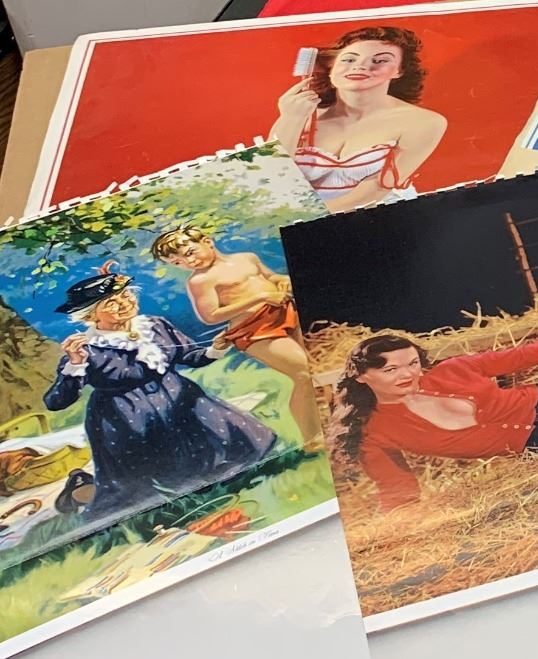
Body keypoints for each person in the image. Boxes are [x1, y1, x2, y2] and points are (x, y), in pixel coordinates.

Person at [45, 265, 277, 519]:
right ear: (91, 315)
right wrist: (75, 364)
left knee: (221, 443)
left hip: (180, 400)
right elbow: (56, 402)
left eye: (126, 295)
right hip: (126, 419)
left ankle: (224, 489)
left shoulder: (155, 325)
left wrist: (216, 348)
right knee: (141, 489)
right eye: (111, 303)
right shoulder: (86, 348)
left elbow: (189, 355)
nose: (124, 303)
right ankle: (80, 490)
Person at [336, 320, 538, 511]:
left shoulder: (453, 369)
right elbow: (396, 490)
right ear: (361, 376)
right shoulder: (373, 433)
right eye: (391, 369)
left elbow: (533, 353)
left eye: (413, 364)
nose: (408, 375)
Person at [151, 226, 324, 450]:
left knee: (317, 367)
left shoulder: (247, 258)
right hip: (253, 330)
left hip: (285, 312)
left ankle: (329, 422)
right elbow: (211, 316)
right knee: (303, 374)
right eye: (177, 262)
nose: (188, 262)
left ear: (207, 241)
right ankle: (312, 438)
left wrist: (281, 280)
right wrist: (260, 298)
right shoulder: (200, 280)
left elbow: (270, 277)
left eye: (190, 252)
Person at [272, 26, 447, 212]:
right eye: (349, 59)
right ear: (331, 68)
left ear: (399, 71)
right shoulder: (298, 114)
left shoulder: (424, 122)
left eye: (380, 60)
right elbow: (269, 177)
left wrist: (298, 219)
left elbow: (372, 193)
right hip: (295, 219)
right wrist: (292, 119)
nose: (360, 66)